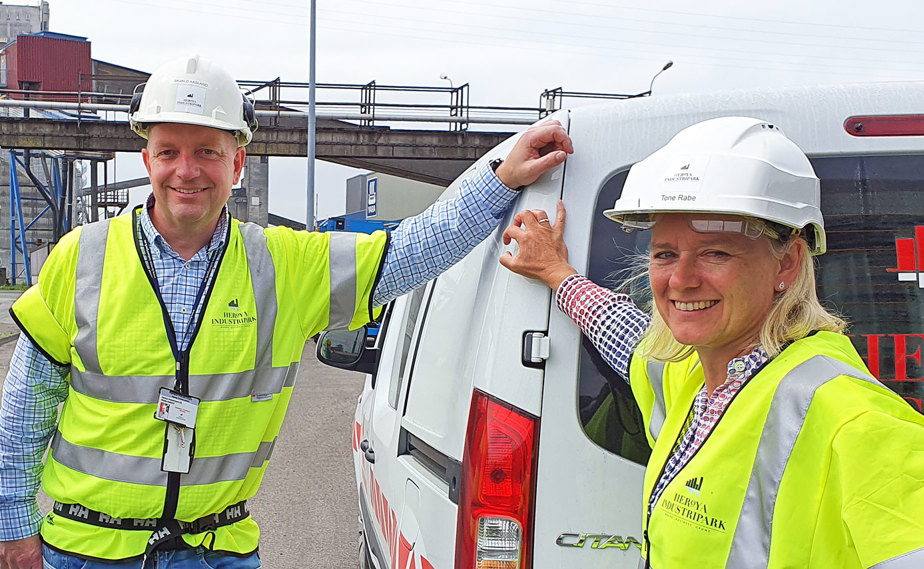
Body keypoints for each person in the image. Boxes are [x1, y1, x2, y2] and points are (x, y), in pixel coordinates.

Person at [0, 55, 572, 569]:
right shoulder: (83, 256)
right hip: (86, 551)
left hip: (214, 551)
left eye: (207, 152)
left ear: (238, 163)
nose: (187, 171)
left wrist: (499, 176)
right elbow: (24, 410)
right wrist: (12, 526)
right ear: (146, 157)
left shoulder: (283, 265)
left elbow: (410, 251)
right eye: (169, 151)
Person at [500, 116, 924, 568]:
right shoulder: (695, 376)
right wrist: (557, 273)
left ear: (787, 264)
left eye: (715, 252)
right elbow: (630, 339)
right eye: (665, 253)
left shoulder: (851, 417)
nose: (681, 280)